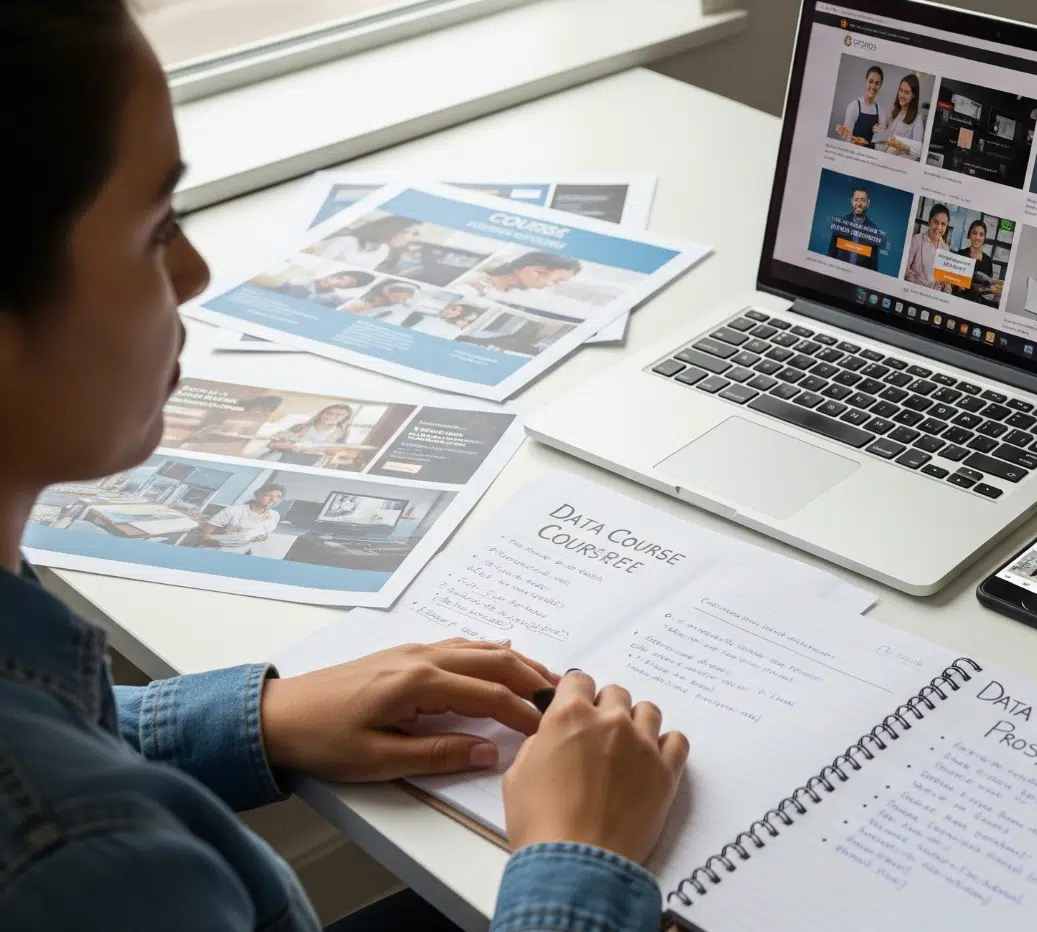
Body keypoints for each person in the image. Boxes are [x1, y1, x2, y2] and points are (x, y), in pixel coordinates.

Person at [0, 5, 690, 931]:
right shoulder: (82, 865)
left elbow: (48, 727)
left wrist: (258, 719)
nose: (197, 271)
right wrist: (579, 866)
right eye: (158, 227)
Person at [454, 251, 583, 303]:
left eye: (557, 282)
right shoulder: (471, 286)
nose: (548, 283)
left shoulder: (521, 296)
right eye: (541, 273)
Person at [199, 483, 285, 553]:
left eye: (278, 497)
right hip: (218, 552)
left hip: (244, 553)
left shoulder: (275, 515)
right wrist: (227, 543)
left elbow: (264, 535)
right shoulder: (233, 510)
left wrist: (262, 537)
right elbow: (205, 536)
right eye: (269, 495)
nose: (273, 499)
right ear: (258, 495)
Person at [310, 215, 419, 269]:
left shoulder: (383, 250)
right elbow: (312, 266)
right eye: (404, 232)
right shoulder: (346, 241)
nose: (408, 238)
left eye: (413, 233)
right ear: (389, 228)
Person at [260, 403, 354, 465]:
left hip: (308, 465)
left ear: (345, 418)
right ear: (322, 413)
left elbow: (336, 454)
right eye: (328, 413)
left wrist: (312, 449)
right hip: (279, 460)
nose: (332, 416)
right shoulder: (301, 427)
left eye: (338, 415)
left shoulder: (341, 435)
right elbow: (271, 444)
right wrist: (293, 447)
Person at [824, 187, 887, 270]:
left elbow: (873, 265)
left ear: (868, 203)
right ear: (852, 202)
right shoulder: (841, 223)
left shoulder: (874, 229)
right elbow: (831, 253)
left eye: (863, 200)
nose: (859, 203)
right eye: (856, 199)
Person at [872, 73, 926, 160]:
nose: (901, 95)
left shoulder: (917, 120)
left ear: (913, 96)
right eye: (900, 90)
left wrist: (893, 160)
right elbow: (882, 139)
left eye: (906, 92)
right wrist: (878, 131)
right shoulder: (892, 111)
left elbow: (915, 154)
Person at [903, 203, 953, 292]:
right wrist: (919, 285)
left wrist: (947, 287)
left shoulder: (946, 249)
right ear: (929, 222)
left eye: (943, 224)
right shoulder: (916, 239)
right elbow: (904, 269)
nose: (939, 227)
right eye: (936, 222)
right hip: (914, 291)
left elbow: (945, 278)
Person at [835, 65, 884, 147]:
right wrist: (855, 142)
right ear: (866, 81)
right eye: (870, 81)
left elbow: (880, 142)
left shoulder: (880, 110)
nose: (873, 87)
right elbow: (846, 137)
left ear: (880, 86)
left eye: (877, 83)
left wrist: (878, 133)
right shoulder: (854, 106)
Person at [954, 219, 1001, 303]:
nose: (977, 237)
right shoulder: (961, 254)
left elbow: (989, 286)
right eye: (974, 233)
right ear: (969, 235)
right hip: (959, 301)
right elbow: (951, 280)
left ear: (984, 238)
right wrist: (957, 284)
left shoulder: (988, 261)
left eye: (981, 234)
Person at [273, 270, 375, 307]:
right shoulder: (305, 276)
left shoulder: (331, 298)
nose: (335, 281)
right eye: (339, 277)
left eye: (346, 284)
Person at [339, 280, 419, 317]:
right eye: (401, 295)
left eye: (404, 298)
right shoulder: (361, 301)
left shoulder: (389, 310)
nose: (401, 298)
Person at [408, 301, 484, 338]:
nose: (448, 310)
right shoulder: (431, 318)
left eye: (453, 309)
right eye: (450, 308)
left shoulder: (456, 330)